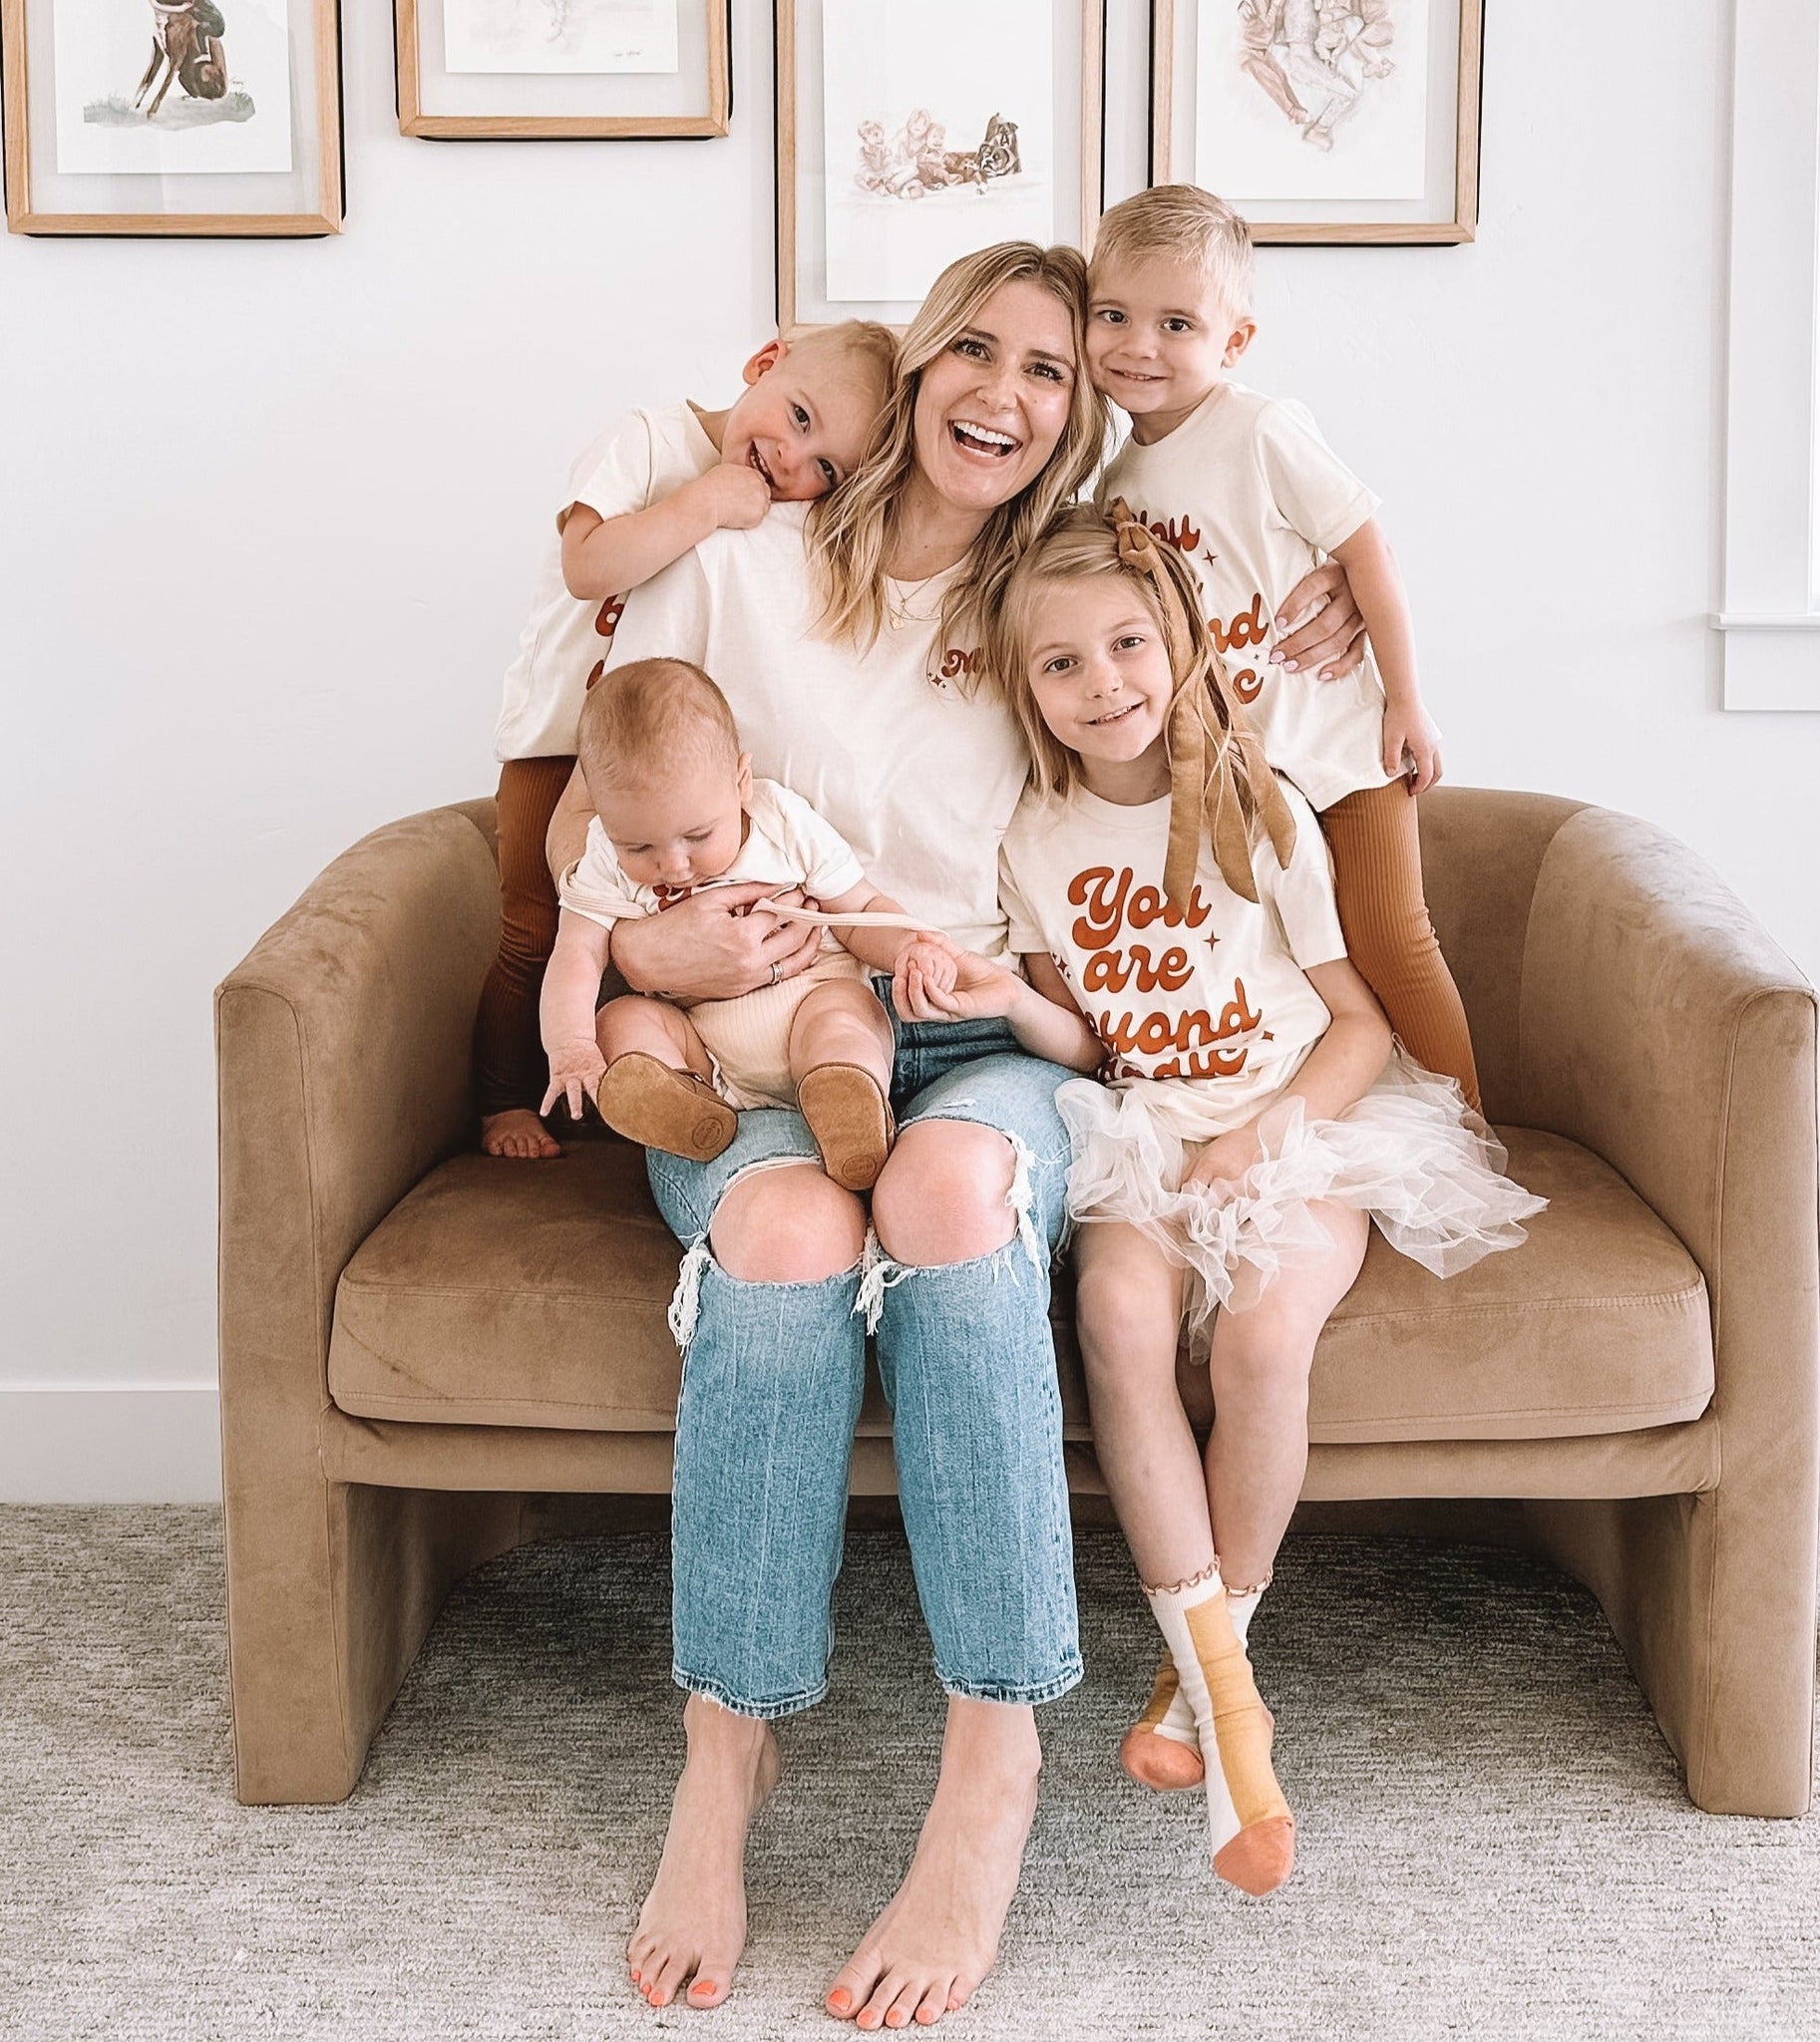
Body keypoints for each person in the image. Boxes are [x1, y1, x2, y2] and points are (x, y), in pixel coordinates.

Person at [548, 243, 1372, 2024]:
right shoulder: (741, 563)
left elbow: (1209, 669)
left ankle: (993, 1758)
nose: (1005, 392)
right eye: (976, 351)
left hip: (983, 1040)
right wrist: (644, 952)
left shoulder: (1052, 615)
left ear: (1076, 419)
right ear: (917, 369)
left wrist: (1342, 601)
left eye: (1051, 371)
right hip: (752, 1039)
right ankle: (724, 1748)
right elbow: (589, 818)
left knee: (944, 1193)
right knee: (784, 1231)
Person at [896, 503, 1542, 1896]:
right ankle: (1228, 1702)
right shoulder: (1032, 837)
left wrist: (1260, 1137)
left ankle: (1211, 1692)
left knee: (1257, 1340)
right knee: (1119, 1322)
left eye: (1127, 643)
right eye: (1061, 663)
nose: (1102, 682)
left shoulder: (1260, 807)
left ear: (1179, 640)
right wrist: (1006, 998)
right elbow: (1086, 1045)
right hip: (1143, 1129)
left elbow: (1359, 1023)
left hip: (1302, 1120)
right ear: (1025, 687)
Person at [1087, 182, 1487, 1111]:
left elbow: (1368, 552)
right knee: (1300, 964)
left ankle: (1472, 1135)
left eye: (1176, 324)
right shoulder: (1114, 481)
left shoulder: (1260, 429)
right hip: (1240, 777)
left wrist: (1407, 700)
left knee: (1392, 941)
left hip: (1339, 751)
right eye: (1114, 315)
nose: (1140, 345)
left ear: (1233, 342)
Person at [476, 319, 896, 1161]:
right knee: (533, 929)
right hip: (562, 740)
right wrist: (705, 503)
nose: (792, 461)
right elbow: (586, 566)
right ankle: (503, 1100)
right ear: (763, 363)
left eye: (826, 468)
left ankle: (659, 1075)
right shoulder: (647, 441)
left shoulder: (772, 526)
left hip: (660, 754)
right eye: (798, 418)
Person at [540, 656, 949, 1191]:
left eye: (697, 836)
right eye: (638, 847)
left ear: (741, 782)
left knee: (844, 1017)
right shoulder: (602, 856)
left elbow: (861, 910)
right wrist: (571, 1045)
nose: (674, 866)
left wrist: (907, 948)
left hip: (810, 1001)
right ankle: (685, 1106)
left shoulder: (783, 823)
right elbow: (575, 953)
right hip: (706, 1052)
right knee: (620, 1019)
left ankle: (847, 1108)